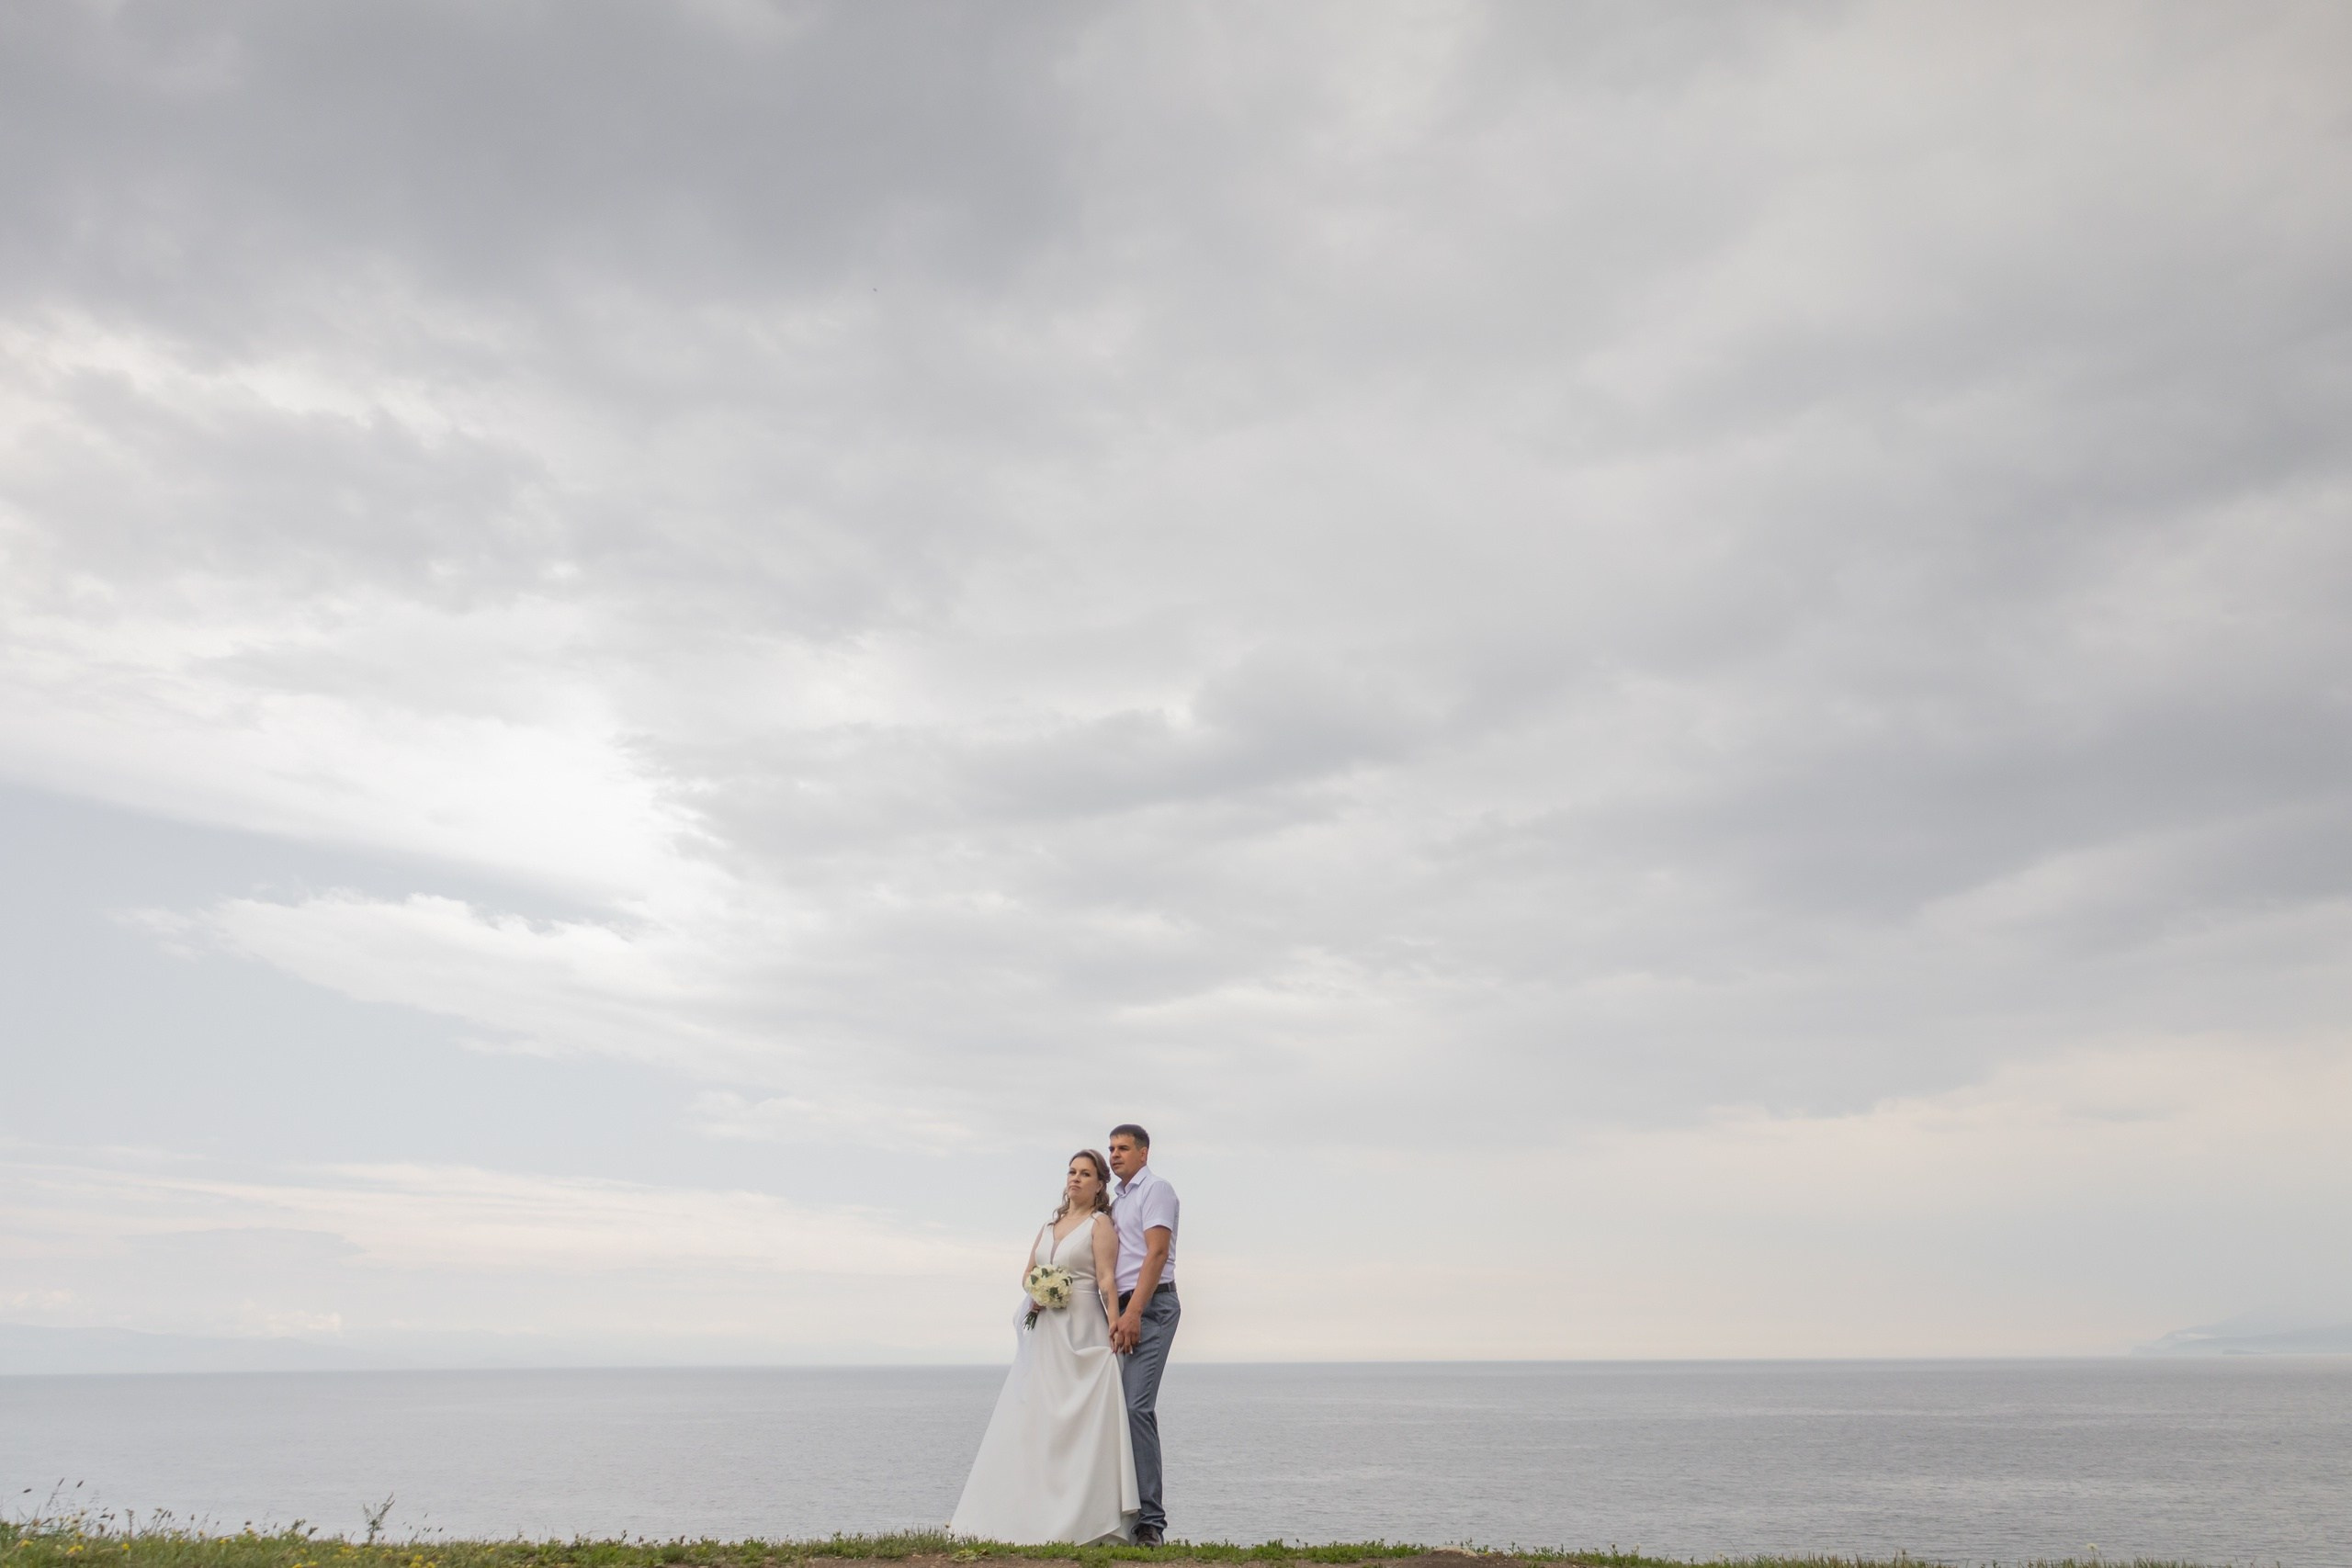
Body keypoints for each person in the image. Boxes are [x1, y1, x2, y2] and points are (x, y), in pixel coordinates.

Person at [949, 1150, 1140, 1545]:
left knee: (1078, 1419)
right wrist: (1039, 1291)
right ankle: (1031, 1513)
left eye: (1086, 1174)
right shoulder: (1049, 1224)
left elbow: (1106, 1279)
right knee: (1040, 1417)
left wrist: (1115, 1322)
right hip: (1046, 1330)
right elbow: (1026, 1274)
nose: (1076, 1179)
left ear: (1100, 1184)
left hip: (1083, 1327)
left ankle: (1085, 1516)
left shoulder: (1099, 1224)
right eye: (1072, 1172)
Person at [1105, 1123, 1179, 1546]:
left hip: (1151, 1308)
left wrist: (1133, 1312)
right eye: (1111, 1148)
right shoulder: (1120, 1200)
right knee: (1116, 1408)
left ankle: (1152, 1523)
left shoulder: (1157, 1190)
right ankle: (1121, 1512)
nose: (1115, 1155)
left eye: (1124, 1148)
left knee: (1137, 1408)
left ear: (1144, 1153)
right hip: (1124, 1310)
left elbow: (1157, 1252)